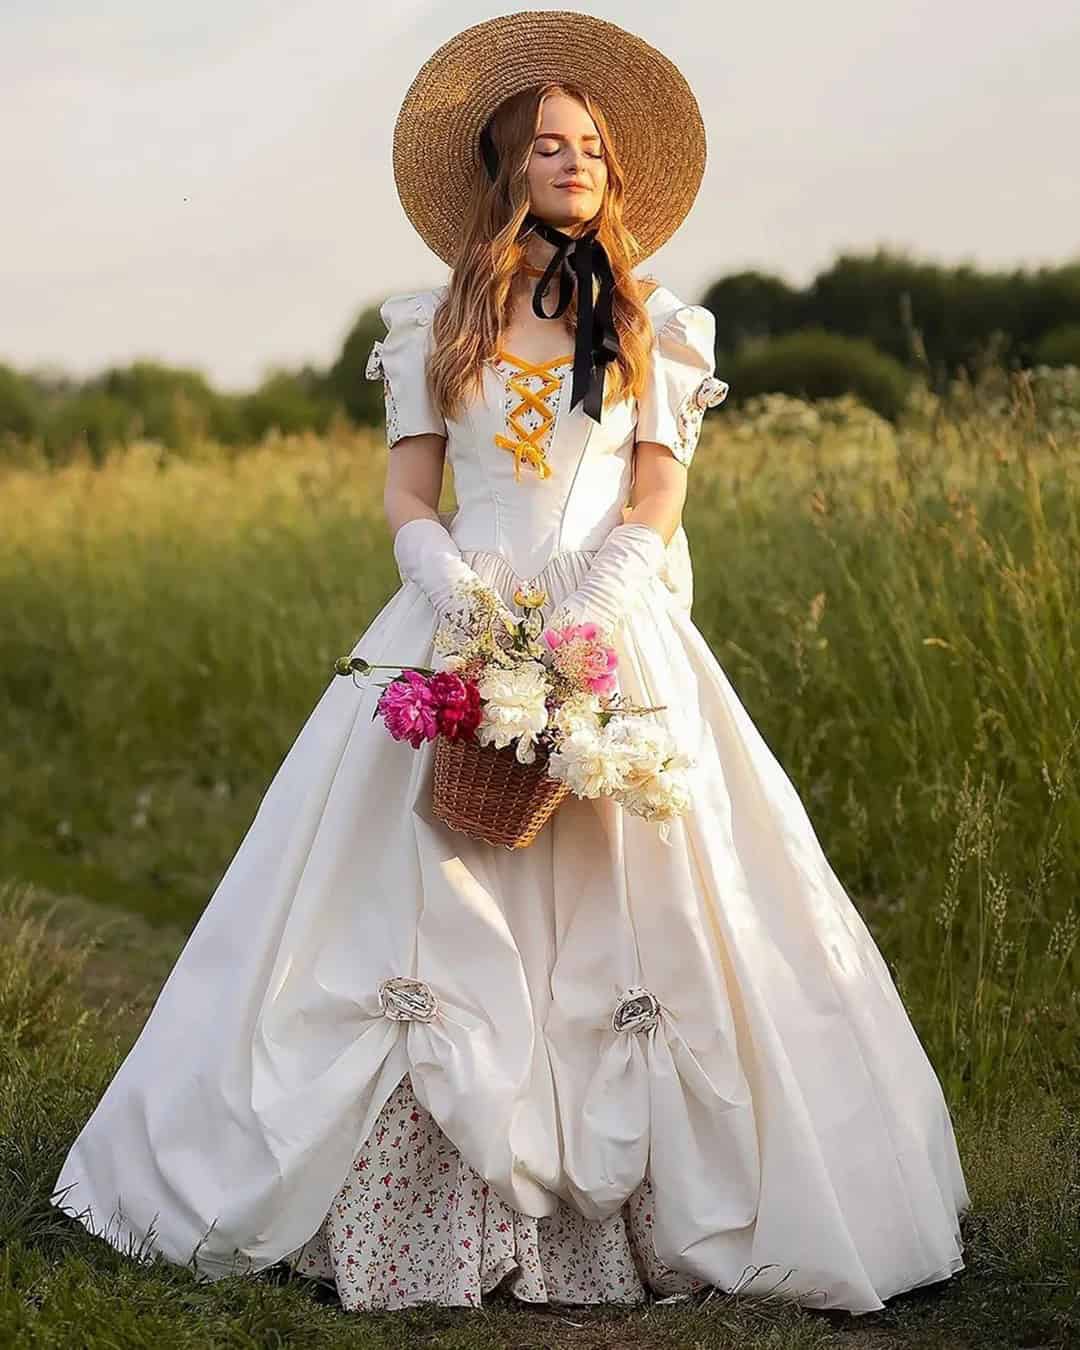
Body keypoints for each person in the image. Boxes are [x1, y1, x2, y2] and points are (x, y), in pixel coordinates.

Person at [50, 11, 968, 1316]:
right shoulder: (435, 320)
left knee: (653, 903)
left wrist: (590, 609)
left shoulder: (660, 321)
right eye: (548, 144)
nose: (574, 160)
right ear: (505, 167)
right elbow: (410, 494)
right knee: (425, 894)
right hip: (457, 618)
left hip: (612, 624)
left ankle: (674, 1225)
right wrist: (458, 593)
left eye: (589, 145)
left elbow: (654, 496)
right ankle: (401, 1223)